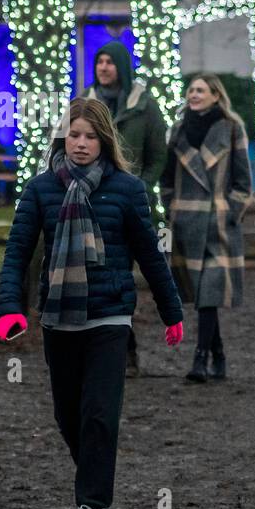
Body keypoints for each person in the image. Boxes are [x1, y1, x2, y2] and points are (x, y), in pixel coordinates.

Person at [0, 97, 184, 509]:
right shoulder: (40, 189)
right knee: (69, 417)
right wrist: (9, 308)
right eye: (74, 135)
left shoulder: (128, 189)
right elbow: (17, 252)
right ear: (63, 138)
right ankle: (95, 473)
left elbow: (149, 255)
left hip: (109, 318)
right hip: (59, 319)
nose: (81, 144)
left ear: (104, 140)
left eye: (90, 136)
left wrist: (171, 310)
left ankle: (91, 508)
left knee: (100, 416)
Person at [82, 40, 169, 376]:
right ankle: (104, 349)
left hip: (132, 205)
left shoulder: (143, 105)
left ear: (121, 66)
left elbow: (158, 152)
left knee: (121, 277)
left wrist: (143, 185)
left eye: (110, 62)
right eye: (99, 61)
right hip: (91, 203)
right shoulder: (84, 104)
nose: (103, 67)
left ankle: (125, 347)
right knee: (95, 275)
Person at [160, 73, 252, 384]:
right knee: (201, 294)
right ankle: (219, 353)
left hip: (218, 224)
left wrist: (230, 210)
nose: (193, 94)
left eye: (200, 90)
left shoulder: (231, 128)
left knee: (208, 293)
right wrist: (171, 204)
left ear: (215, 95)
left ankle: (200, 358)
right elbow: (166, 176)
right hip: (186, 221)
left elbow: (243, 181)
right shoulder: (178, 130)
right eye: (191, 90)